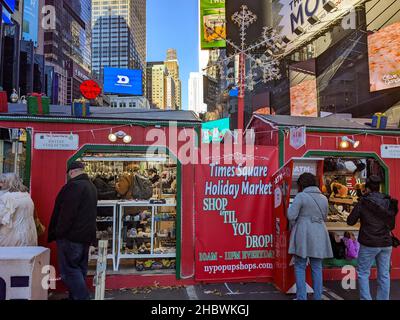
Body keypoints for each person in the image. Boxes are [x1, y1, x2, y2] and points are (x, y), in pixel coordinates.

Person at [48, 161, 98, 300]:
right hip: (85, 237)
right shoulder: (91, 187)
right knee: (79, 270)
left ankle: (82, 297)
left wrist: (59, 233)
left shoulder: (73, 186)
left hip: (71, 237)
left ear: (71, 172)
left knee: (69, 271)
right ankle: (74, 297)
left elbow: (66, 214)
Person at [347, 175, 398, 300]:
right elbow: (391, 224)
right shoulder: (388, 201)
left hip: (369, 243)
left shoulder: (363, 202)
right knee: (384, 274)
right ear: (379, 186)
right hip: (386, 242)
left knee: (363, 273)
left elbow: (350, 221)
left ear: (367, 187)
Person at [287, 173, 333, 300]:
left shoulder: (301, 196)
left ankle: (302, 297)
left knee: (300, 265)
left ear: (301, 184)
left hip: (303, 233)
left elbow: (291, 216)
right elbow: (324, 217)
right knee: (317, 267)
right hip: (319, 232)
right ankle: (318, 297)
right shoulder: (324, 198)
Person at [0, 173, 37, 246]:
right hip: (29, 235)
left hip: (10, 238)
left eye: (2, 182)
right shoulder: (26, 195)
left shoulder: (7, 198)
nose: (0, 185)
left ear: (8, 183)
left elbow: (1, 218)